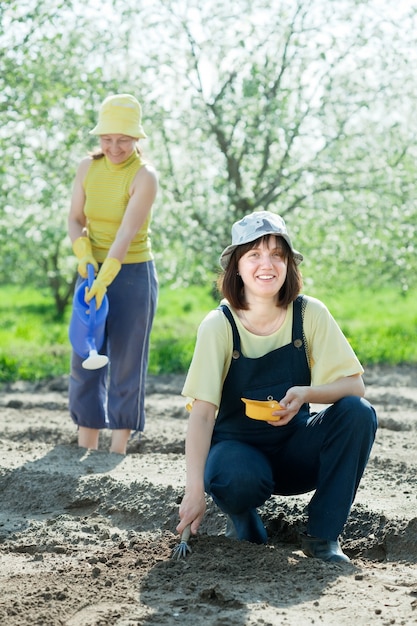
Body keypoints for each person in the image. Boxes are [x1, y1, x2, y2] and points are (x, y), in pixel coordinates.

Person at [176, 210, 377, 562]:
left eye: (276, 254)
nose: (266, 264)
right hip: (238, 457)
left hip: (294, 451)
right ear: (237, 267)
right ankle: (241, 517)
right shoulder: (218, 325)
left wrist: (307, 394)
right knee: (234, 477)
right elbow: (203, 415)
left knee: (358, 413)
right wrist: (194, 492)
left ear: (288, 265)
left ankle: (323, 536)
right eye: (253, 254)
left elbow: (354, 385)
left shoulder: (309, 314)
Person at [68, 93, 158, 455]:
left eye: (122, 139)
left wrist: (107, 276)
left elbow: (126, 233)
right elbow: (76, 219)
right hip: (90, 271)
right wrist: (84, 254)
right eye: (107, 139)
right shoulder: (86, 168)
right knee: (85, 354)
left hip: (132, 274)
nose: (114, 147)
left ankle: (117, 449)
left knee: (125, 358)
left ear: (136, 139)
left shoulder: (144, 176)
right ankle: (84, 446)